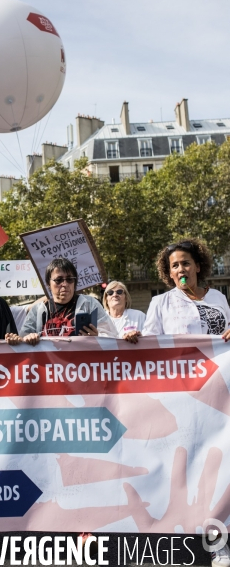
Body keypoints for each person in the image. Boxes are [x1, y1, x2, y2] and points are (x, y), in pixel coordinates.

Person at [142, 239, 230, 567]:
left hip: (219, 398)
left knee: (218, 469)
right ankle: (177, 540)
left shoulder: (219, 298)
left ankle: (217, 539)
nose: (181, 269)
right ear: (168, 272)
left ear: (198, 266)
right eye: (174, 265)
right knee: (181, 469)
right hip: (180, 399)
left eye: (186, 263)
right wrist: (133, 340)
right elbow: (150, 346)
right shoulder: (162, 303)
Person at [7, 258, 116, 345]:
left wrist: (98, 337)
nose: (64, 284)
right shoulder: (38, 310)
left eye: (69, 279)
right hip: (50, 370)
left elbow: (112, 338)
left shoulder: (90, 304)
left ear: (75, 282)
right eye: (58, 280)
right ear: (48, 284)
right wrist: (28, 338)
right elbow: (22, 342)